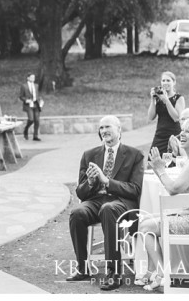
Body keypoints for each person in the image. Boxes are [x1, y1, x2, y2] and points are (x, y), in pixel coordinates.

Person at [67, 115, 144, 290]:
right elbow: (81, 192)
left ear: (119, 130)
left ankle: (114, 273)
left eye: (107, 127)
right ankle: (83, 268)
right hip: (95, 201)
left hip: (120, 202)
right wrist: (92, 182)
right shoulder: (89, 155)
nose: (103, 131)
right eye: (101, 128)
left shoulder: (134, 155)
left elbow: (135, 189)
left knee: (108, 209)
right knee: (77, 212)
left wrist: (107, 181)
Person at [137, 117, 189, 291]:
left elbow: (173, 189)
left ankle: (164, 275)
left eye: (187, 131)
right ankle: (158, 274)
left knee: (145, 228)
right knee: (146, 222)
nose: (182, 133)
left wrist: (160, 169)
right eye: (183, 130)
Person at [148, 71, 185, 156]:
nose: (165, 83)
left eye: (168, 80)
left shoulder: (179, 98)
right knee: (152, 159)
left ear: (174, 82)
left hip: (173, 135)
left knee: (171, 163)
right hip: (160, 135)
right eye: (163, 80)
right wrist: (153, 99)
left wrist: (166, 100)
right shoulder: (158, 98)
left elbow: (176, 118)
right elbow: (150, 117)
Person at [19, 73, 42, 141]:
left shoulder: (36, 85)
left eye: (34, 77)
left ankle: (35, 136)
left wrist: (40, 100)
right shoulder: (24, 86)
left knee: (37, 120)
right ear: (28, 78)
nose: (33, 79)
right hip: (29, 105)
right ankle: (25, 130)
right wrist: (26, 100)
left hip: (36, 104)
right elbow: (21, 96)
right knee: (31, 119)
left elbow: (37, 95)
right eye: (32, 77)